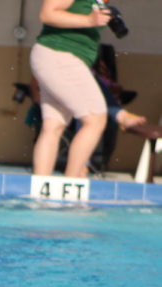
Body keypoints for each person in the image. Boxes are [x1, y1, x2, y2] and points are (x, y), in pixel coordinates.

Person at [29, 0, 114, 177]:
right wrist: (90, 20)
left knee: (54, 125)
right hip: (59, 55)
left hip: (58, 58)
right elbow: (47, 14)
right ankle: (72, 181)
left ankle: (39, 189)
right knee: (96, 119)